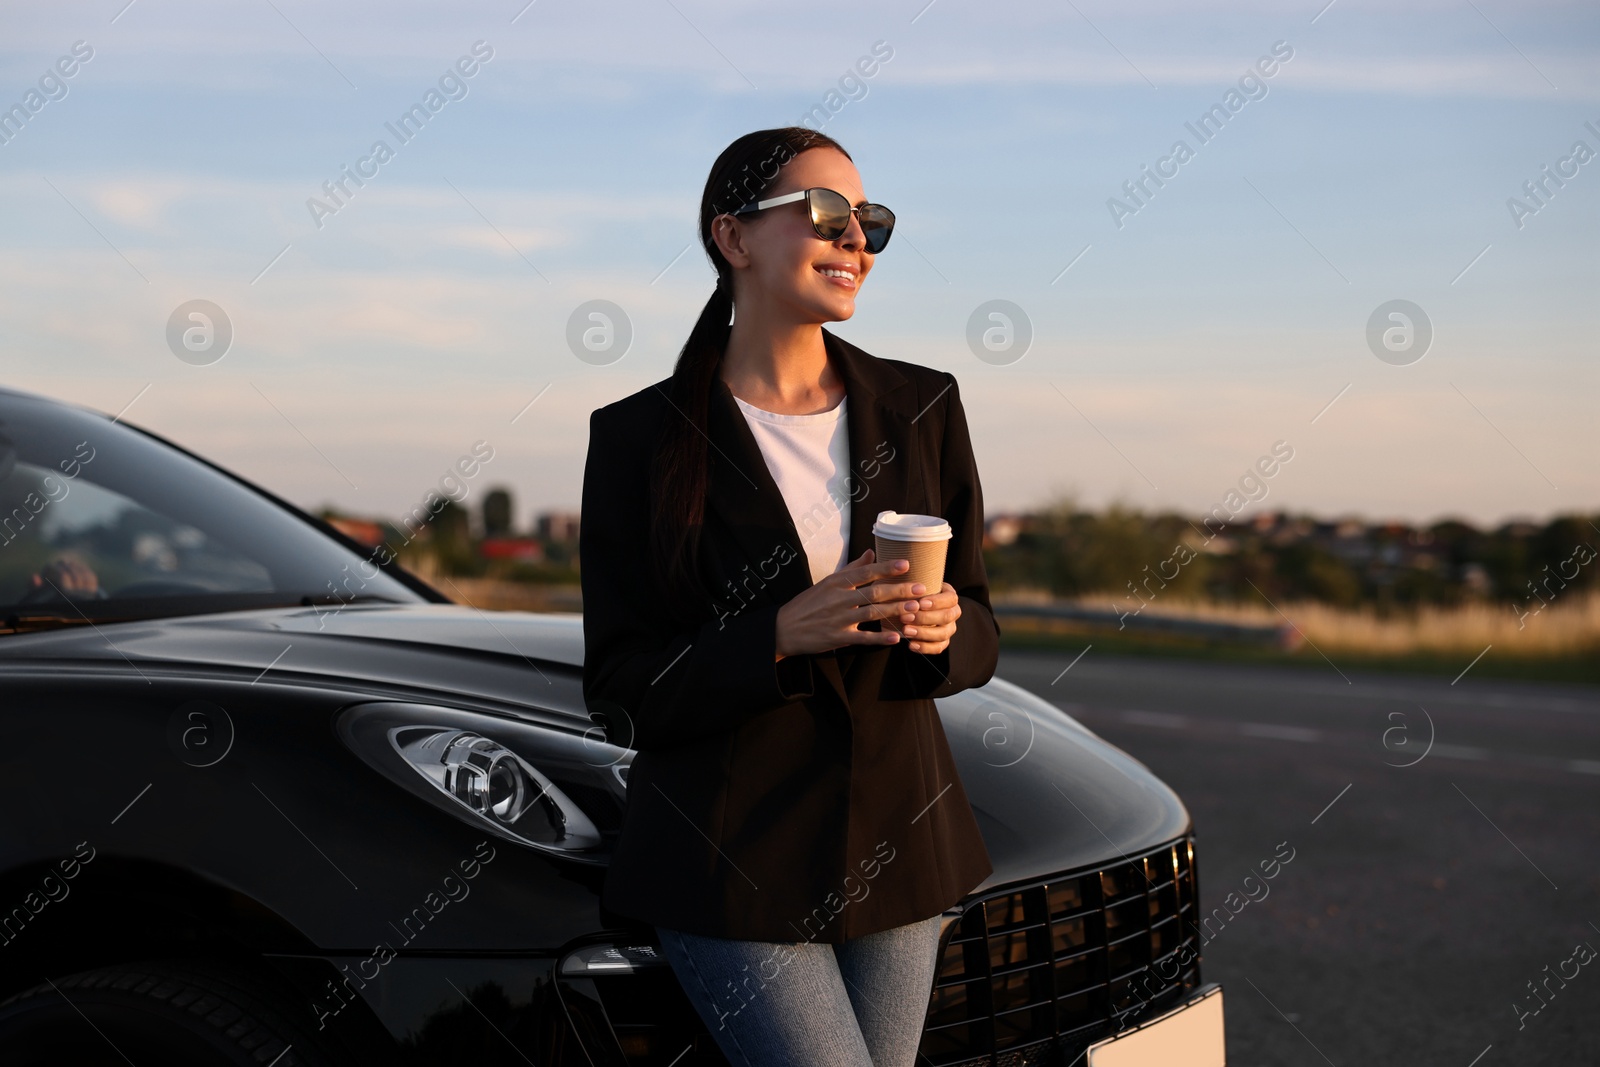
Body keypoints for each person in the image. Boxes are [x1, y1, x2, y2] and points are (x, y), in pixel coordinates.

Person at [579, 127, 999, 1067]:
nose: (855, 240)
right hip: (728, 866)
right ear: (733, 239)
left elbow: (981, 632)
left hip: (900, 849)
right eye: (825, 213)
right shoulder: (638, 438)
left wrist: (945, 630)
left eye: (870, 223)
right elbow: (619, 689)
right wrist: (774, 635)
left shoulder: (925, 405)